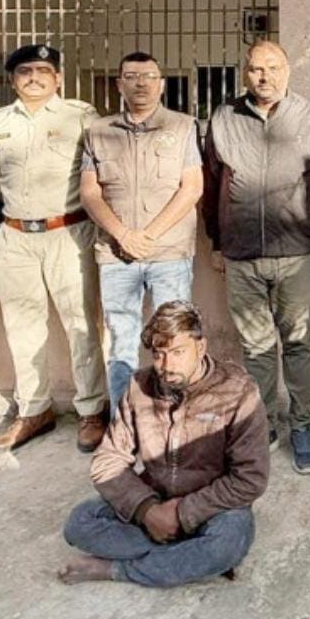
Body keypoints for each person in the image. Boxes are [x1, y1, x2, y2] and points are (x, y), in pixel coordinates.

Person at [58, 301, 269, 587]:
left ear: (201, 347)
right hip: (154, 500)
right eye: (159, 355)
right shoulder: (140, 386)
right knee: (80, 523)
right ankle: (184, 558)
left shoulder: (237, 391)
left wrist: (183, 513)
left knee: (228, 542)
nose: (167, 366)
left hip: (213, 509)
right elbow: (109, 460)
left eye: (178, 352)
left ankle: (118, 570)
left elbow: (250, 478)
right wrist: (148, 511)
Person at [203, 40, 310, 474]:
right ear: (245, 73)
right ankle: (263, 427)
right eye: (256, 69)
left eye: (274, 68)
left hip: (297, 254)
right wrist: (217, 242)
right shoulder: (224, 118)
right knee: (256, 347)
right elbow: (211, 184)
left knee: (298, 343)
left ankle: (301, 427)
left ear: (288, 70)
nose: (265, 77)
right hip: (241, 254)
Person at [0, 44, 108, 453]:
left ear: (58, 78)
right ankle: (34, 410)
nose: (33, 78)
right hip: (16, 236)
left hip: (68, 231)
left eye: (42, 70)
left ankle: (92, 409)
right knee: (22, 326)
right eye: (25, 71)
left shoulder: (81, 115)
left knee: (82, 324)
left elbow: (101, 171)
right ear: (12, 79)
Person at [81, 51, 203, 412]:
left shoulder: (183, 127)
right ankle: (124, 419)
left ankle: (172, 415)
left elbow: (192, 188)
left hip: (169, 254)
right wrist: (123, 234)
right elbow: (90, 193)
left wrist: (147, 235)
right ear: (120, 84)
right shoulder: (98, 131)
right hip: (116, 255)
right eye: (132, 76)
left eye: (149, 76)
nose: (141, 84)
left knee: (174, 339)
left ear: (161, 84)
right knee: (121, 339)